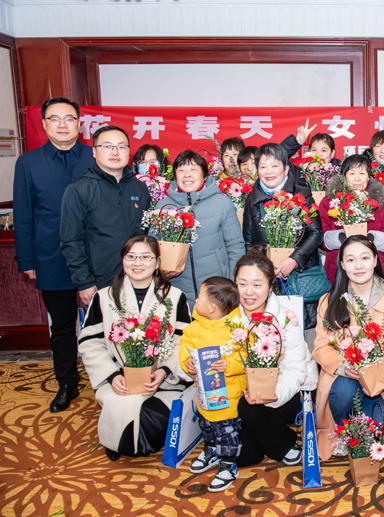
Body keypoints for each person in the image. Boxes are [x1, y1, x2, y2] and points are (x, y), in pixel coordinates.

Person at [12, 97, 95, 412]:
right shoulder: (28, 163)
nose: (63, 124)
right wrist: (27, 260)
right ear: (45, 123)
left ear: (79, 123)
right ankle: (67, 383)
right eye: (55, 118)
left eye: (69, 118)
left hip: (94, 256)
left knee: (105, 322)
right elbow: (24, 215)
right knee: (61, 326)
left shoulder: (95, 156)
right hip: (51, 256)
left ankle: (111, 378)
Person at [77, 235, 191, 461]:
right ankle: (119, 438)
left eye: (145, 257)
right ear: (122, 261)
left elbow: (183, 340)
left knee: (150, 416)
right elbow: (90, 342)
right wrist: (111, 376)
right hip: (120, 380)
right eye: (131, 257)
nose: (137, 263)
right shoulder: (104, 297)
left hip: (162, 382)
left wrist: (164, 371)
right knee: (127, 406)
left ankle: (120, 437)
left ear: (157, 263)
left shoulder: (175, 297)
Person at [313, 236, 384, 460]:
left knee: (381, 427)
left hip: (383, 383)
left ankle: (361, 430)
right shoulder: (328, 301)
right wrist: (343, 367)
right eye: (351, 260)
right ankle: (343, 431)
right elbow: (321, 347)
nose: (358, 265)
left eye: (364, 258)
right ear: (342, 264)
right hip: (344, 378)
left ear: (375, 261)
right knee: (343, 392)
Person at [222, 248, 319, 467]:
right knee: (245, 456)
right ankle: (264, 435)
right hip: (244, 393)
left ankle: (286, 443)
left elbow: (295, 371)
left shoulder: (285, 319)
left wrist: (274, 395)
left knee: (250, 409)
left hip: (291, 390)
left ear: (270, 285)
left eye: (257, 285)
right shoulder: (228, 317)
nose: (249, 292)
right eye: (242, 284)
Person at [61, 125, 151, 306]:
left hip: (140, 278)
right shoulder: (79, 190)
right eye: (108, 146)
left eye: (121, 146)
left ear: (129, 151)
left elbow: (147, 233)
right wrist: (84, 283)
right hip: (101, 282)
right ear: (94, 152)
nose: (115, 152)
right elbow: (71, 241)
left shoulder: (139, 187)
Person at [242, 143, 323, 329]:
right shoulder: (252, 200)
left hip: (300, 276)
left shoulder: (302, 193)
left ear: (286, 169)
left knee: (301, 332)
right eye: (263, 166)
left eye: (275, 165)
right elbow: (248, 242)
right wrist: (262, 267)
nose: (269, 171)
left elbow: (316, 233)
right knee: (269, 332)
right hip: (266, 279)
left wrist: (294, 260)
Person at [154, 150, 245, 310]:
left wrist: (231, 282)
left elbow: (235, 246)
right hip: (176, 286)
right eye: (181, 170)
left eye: (193, 169)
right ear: (175, 176)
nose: (187, 175)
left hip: (216, 286)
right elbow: (154, 246)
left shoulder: (222, 203)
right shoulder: (164, 206)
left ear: (205, 176)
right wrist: (160, 269)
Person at [179, 277, 245, 492]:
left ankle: (228, 464)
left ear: (211, 307)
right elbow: (185, 345)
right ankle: (210, 450)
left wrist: (229, 364)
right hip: (203, 392)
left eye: (199, 297)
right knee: (206, 425)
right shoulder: (194, 327)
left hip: (228, 395)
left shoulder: (237, 329)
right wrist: (187, 363)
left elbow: (247, 357)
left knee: (227, 432)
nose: (195, 300)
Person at [319, 154, 384, 285]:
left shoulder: (381, 203)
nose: (357, 178)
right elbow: (321, 238)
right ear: (344, 177)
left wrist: (372, 239)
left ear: (368, 176)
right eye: (352, 173)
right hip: (338, 269)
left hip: (373, 269)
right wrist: (341, 237)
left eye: (362, 173)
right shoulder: (329, 201)